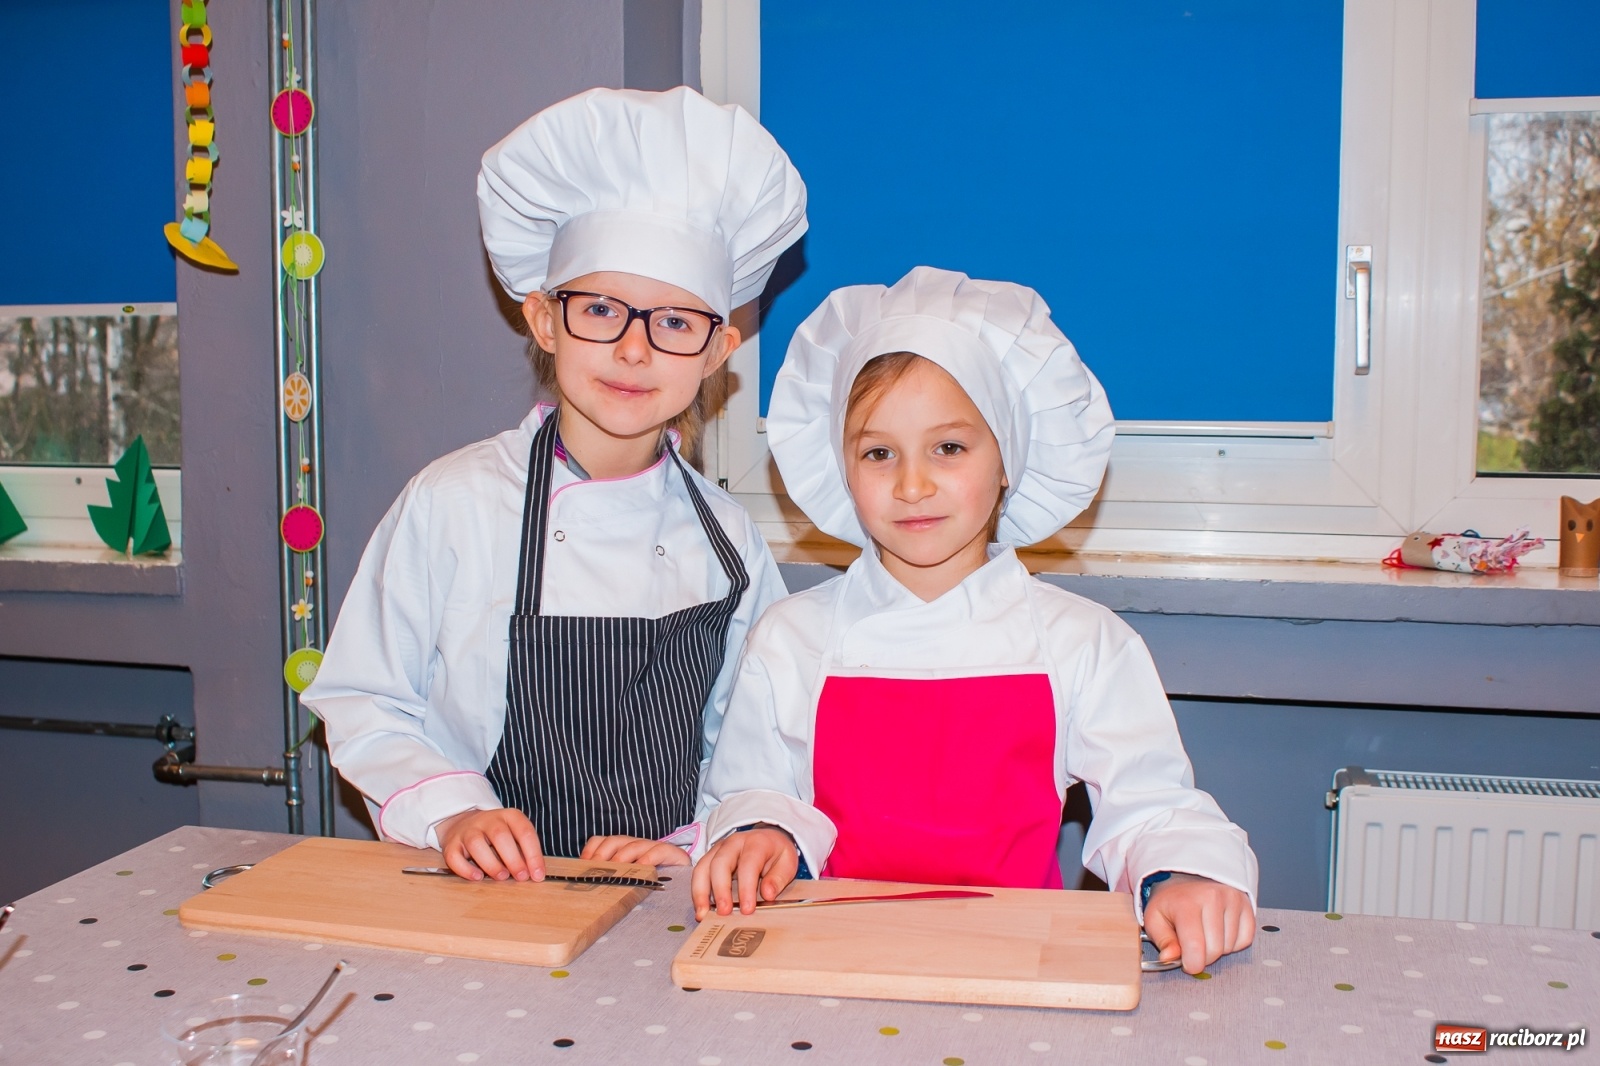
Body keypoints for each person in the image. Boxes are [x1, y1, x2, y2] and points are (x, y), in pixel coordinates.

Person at [690, 266, 1258, 974]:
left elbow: (1150, 803)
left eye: (949, 448)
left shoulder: (1082, 642)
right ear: (842, 469)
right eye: (878, 453)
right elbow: (752, 787)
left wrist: (1182, 874)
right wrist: (761, 830)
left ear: (1008, 461)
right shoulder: (792, 638)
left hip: (1019, 967)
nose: (913, 483)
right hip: (832, 964)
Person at [302, 87, 806, 884]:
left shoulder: (729, 539)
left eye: (675, 322)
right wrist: (454, 811)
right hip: (481, 895)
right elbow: (368, 697)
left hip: (662, 894)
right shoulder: (454, 504)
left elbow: (762, 735)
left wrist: (697, 839)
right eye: (602, 309)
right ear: (544, 320)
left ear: (718, 352)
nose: (635, 351)